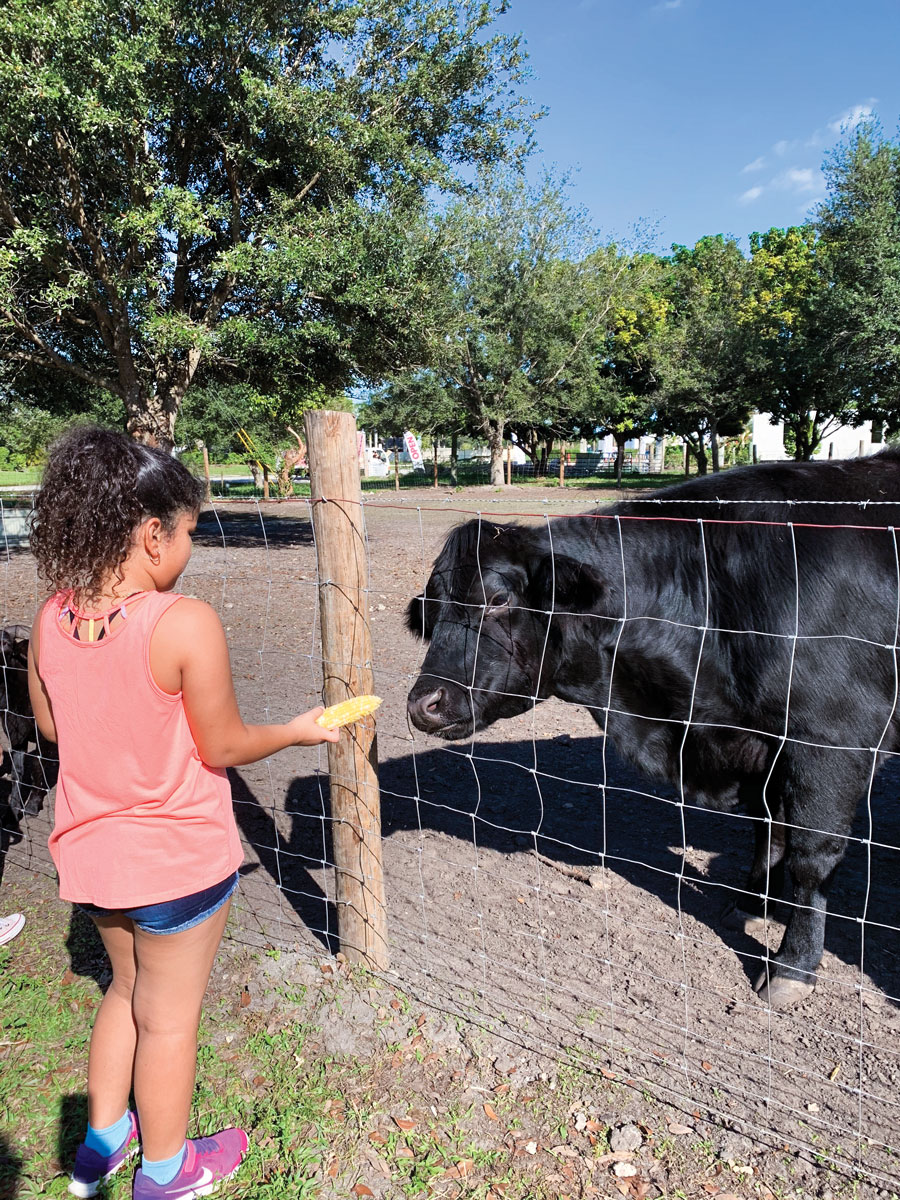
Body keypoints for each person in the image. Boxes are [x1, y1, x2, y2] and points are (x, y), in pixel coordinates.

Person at [26, 426, 340, 1200]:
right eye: (191, 531)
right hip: (175, 865)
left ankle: (99, 1149)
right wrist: (300, 730)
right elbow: (226, 743)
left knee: (124, 994)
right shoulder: (182, 622)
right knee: (169, 1020)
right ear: (150, 533)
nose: (191, 549)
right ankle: (167, 1171)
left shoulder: (51, 618)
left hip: (92, 858)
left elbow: (52, 728)